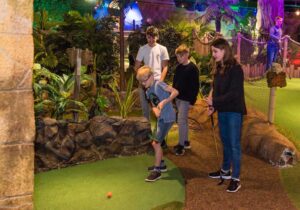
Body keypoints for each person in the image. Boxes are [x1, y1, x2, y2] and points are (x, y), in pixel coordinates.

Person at [204, 38, 247, 193]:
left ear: (224, 50)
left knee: (234, 145)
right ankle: (225, 171)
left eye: (215, 51)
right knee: (226, 142)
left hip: (234, 111)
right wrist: (213, 106)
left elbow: (234, 94)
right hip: (223, 110)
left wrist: (214, 101)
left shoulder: (236, 69)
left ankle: (236, 178)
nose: (213, 54)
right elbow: (217, 90)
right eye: (212, 52)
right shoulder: (218, 68)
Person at [136, 66, 178, 182]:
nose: (143, 83)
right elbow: (153, 103)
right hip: (161, 119)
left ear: (152, 76)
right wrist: (154, 109)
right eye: (141, 82)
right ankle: (161, 164)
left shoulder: (159, 84)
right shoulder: (148, 91)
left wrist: (165, 101)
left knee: (155, 143)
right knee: (156, 142)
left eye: (145, 80)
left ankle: (157, 170)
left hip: (168, 117)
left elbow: (175, 92)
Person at [134, 26, 169, 121]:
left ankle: (160, 133)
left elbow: (165, 67)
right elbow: (137, 66)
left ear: (157, 37)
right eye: (149, 37)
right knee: (145, 109)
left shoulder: (162, 49)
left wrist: (160, 81)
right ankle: (147, 132)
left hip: (157, 81)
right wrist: (142, 80)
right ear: (146, 37)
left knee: (159, 108)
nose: (151, 40)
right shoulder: (142, 49)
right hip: (144, 83)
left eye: (153, 37)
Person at [172, 44, 200, 155]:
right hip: (178, 98)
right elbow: (175, 83)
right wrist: (174, 97)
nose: (179, 59)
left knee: (181, 121)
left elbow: (195, 86)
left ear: (187, 55)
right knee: (184, 121)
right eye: (178, 57)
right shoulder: (178, 68)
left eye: (181, 56)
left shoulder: (193, 68)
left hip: (186, 99)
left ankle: (181, 145)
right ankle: (186, 141)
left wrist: (192, 101)